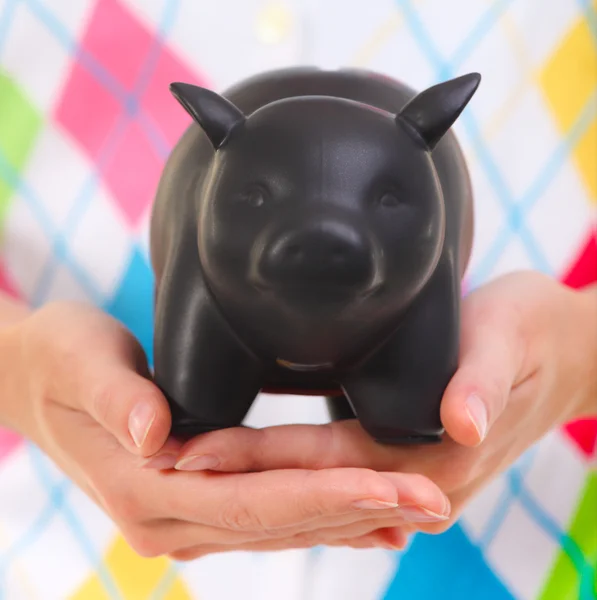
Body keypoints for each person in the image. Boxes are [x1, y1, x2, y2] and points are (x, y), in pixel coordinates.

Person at [0, 1, 595, 598]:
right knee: (195, 407)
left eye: (386, 199)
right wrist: (16, 367)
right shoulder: (197, 222)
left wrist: (578, 351)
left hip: (529, 548)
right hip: (61, 554)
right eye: (255, 197)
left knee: (408, 413)